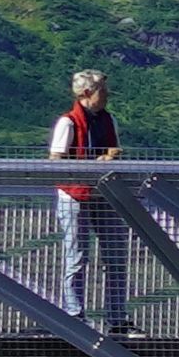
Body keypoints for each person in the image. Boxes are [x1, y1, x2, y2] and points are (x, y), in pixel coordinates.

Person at [42, 66, 129, 337]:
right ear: (88, 92)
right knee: (77, 257)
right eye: (103, 90)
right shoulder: (68, 123)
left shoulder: (107, 120)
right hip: (75, 194)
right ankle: (75, 315)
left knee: (114, 257)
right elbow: (56, 162)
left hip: (102, 194)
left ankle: (116, 319)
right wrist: (96, 162)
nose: (107, 95)